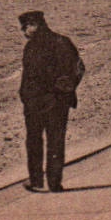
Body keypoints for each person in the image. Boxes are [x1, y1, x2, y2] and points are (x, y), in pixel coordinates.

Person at [17, 11, 84, 192]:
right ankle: (54, 182)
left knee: (34, 141)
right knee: (56, 141)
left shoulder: (32, 47)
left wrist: (26, 95)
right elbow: (78, 69)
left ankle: (36, 180)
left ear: (34, 25)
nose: (23, 32)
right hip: (56, 101)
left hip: (38, 102)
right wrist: (66, 90)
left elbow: (30, 77)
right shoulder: (63, 42)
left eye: (25, 27)